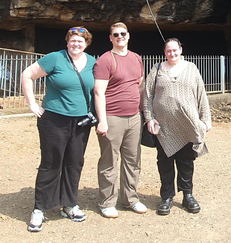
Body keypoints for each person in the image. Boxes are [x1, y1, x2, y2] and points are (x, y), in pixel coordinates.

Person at [21, 27, 97, 232]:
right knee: (51, 163)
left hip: (81, 121)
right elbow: (27, 75)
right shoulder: (55, 58)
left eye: (80, 41)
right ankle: (40, 208)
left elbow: (100, 90)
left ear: (87, 43)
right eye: (73, 41)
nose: (76, 44)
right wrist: (32, 103)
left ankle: (70, 204)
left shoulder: (92, 62)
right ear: (67, 42)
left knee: (74, 163)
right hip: (54, 119)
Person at [144, 38, 211, 216]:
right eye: (168, 51)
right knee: (164, 162)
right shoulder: (156, 70)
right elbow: (147, 96)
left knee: (186, 162)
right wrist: (149, 118)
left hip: (187, 125)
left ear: (181, 49)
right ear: (164, 52)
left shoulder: (191, 68)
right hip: (164, 127)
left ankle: (187, 195)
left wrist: (206, 119)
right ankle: (166, 197)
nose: (172, 53)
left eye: (175, 50)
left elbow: (201, 94)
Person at [92, 22, 147, 218]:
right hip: (113, 117)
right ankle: (107, 202)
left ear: (128, 35)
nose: (119, 37)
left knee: (133, 160)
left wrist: (144, 113)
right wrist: (102, 120)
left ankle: (130, 198)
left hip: (134, 117)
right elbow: (99, 91)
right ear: (110, 38)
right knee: (109, 161)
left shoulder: (137, 58)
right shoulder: (105, 60)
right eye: (116, 34)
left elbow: (139, 85)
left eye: (123, 34)